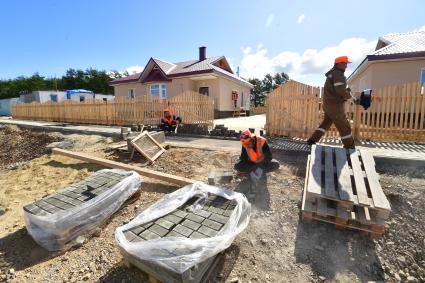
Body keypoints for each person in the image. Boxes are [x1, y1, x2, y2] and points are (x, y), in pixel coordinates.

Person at [307, 56, 356, 148]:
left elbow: (336, 89)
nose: (346, 66)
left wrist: (347, 93)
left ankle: (312, 140)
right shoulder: (338, 74)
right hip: (335, 106)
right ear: (339, 64)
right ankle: (350, 147)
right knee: (344, 127)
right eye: (345, 63)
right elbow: (340, 90)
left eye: (346, 64)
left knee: (326, 123)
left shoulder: (332, 74)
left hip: (328, 105)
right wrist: (350, 98)